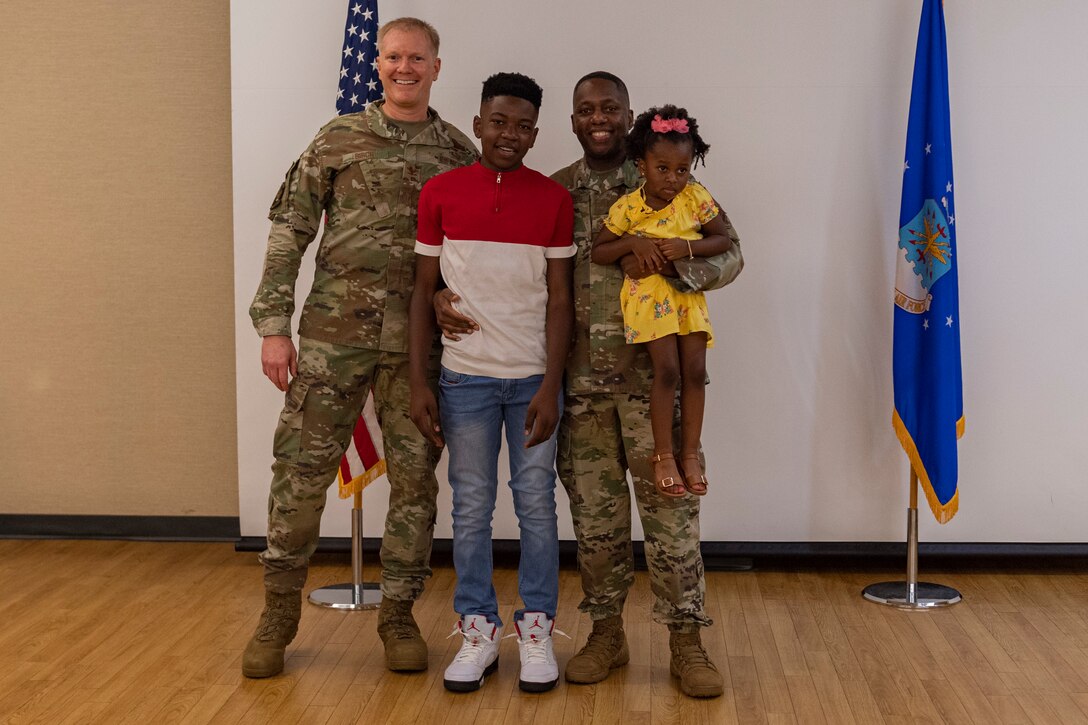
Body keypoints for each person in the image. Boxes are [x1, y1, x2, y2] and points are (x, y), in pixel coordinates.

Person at [436, 72, 740, 699]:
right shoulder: (556, 192)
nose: (598, 119)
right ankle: (606, 633)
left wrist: (670, 262)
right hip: (581, 391)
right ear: (572, 121)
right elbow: (512, 273)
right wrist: (444, 292)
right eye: (586, 110)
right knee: (597, 524)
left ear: (628, 117)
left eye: (609, 109)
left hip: (654, 387)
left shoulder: (663, 177)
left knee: (671, 518)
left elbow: (730, 254)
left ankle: (687, 642)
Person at [242, 17, 478, 679]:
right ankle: (277, 616)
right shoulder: (338, 138)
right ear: (377, 64)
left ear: (436, 67)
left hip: (416, 350)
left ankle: (398, 615)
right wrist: (272, 325)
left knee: (415, 484)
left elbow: (472, 253)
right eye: (394, 57)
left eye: (417, 58)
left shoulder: (458, 153)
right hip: (332, 341)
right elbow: (289, 228)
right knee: (298, 477)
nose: (405, 68)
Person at [408, 72, 574, 694]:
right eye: (498, 122)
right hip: (465, 382)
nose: (510, 134)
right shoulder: (441, 192)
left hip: (531, 380)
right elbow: (422, 291)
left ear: (536, 133)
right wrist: (419, 382)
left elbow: (561, 300)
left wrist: (550, 384)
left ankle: (536, 629)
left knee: (536, 504)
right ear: (477, 124)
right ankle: (477, 629)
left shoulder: (553, 199)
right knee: (472, 506)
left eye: (523, 126)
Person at [590, 105, 736, 498]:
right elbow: (599, 251)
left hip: (686, 295)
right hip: (648, 298)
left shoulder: (695, 197)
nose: (673, 178)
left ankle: (690, 454)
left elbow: (722, 239)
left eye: (682, 169)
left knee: (695, 370)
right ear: (642, 165)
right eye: (663, 168)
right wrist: (633, 243)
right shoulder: (628, 207)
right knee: (667, 371)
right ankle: (663, 456)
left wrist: (687, 248)